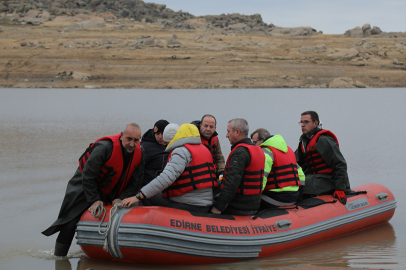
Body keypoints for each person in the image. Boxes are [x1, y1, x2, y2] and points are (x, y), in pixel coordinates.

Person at [42, 123, 145, 256]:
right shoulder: (105, 147)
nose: (132, 144)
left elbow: (136, 181)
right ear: (121, 136)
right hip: (85, 186)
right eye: (129, 139)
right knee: (70, 222)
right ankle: (60, 258)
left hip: (113, 190)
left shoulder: (140, 152)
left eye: (136, 140)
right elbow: (88, 174)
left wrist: (122, 197)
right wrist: (95, 199)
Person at [122, 123, 217, 213]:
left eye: (167, 142)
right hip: (206, 204)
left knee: (147, 196)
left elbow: (165, 178)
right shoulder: (204, 149)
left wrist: (138, 196)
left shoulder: (181, 152)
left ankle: (152, 222)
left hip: (189, 205)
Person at [295, 111, 350, 205]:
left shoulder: (323, 140)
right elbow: (294, 161)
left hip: (330, 180)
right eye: (301, 122)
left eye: (306, 122)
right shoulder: (304, 142)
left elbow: (340, 164)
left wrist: (340, 188)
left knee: (304, 183)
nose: (303, 125)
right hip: (316, 178)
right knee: (295, 181)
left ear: (315, 123)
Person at [211, 118, 265, 215]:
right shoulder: (258, 149)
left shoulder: (240, 152)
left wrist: (218, 207)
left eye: (228, 132)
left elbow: (231, 183)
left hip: (239, 206)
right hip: (254, 204)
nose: (226, 135)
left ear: (237, 132)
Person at [251, 128, 305, 209]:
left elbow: (261, 178)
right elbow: (301, 175)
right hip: (294, 197)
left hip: (276, 198)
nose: (254, 146)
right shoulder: (288, 150)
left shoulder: (265, 152)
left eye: (255, 142)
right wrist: (300, 197)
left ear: (263, 140)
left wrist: (251, 197)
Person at [141, 119, 169, 186]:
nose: (160, 137)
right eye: (157, 134)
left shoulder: (175, 146)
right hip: (149, 186)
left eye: (163, 133)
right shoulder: (146, 147)